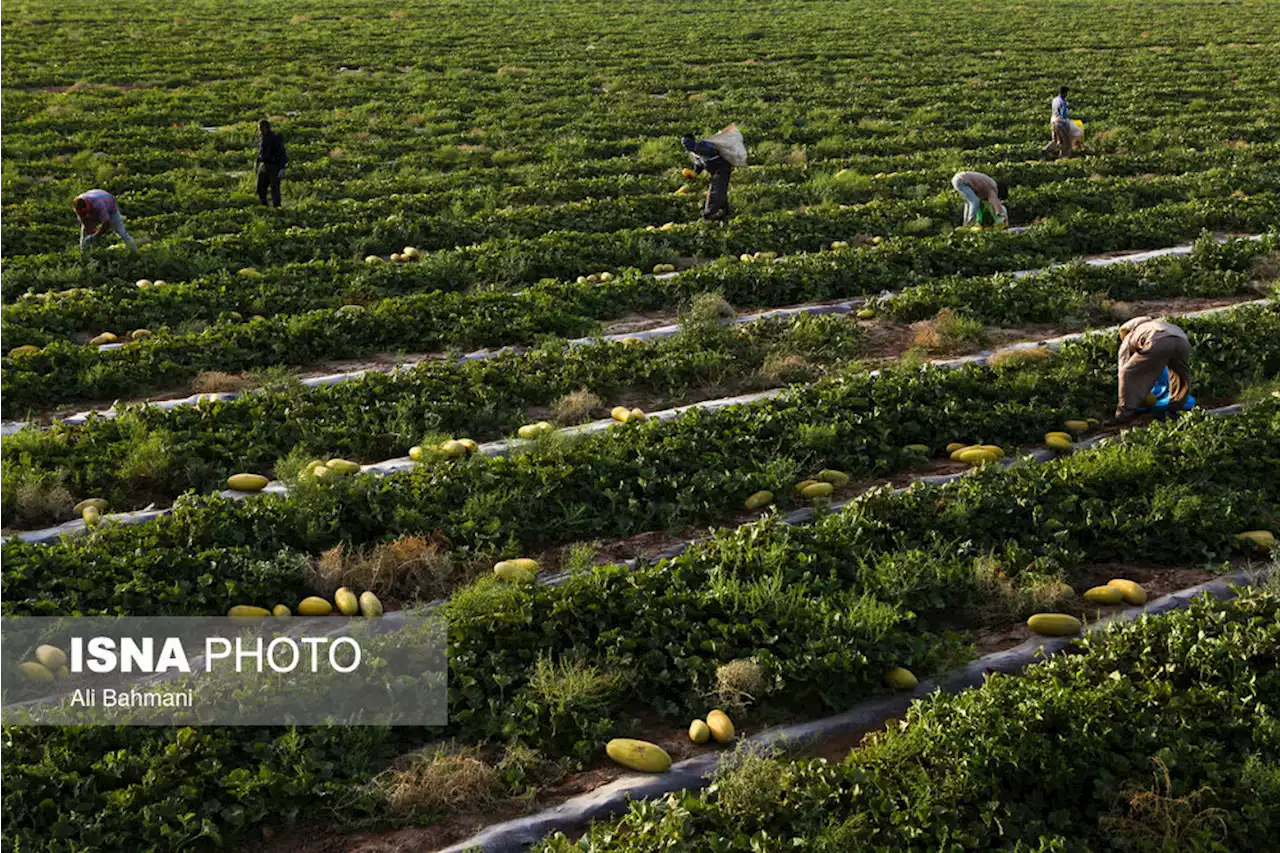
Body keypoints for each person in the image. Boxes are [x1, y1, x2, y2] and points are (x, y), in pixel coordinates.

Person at [1105, 316, 1192, 426]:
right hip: (1182, 342)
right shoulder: (1160, 324)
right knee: (1179, 375)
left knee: (1127, 373)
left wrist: (1126, 387)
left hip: (1158, 341)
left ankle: (1124, 414)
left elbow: (1123, 366)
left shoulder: (1131, 334)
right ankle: (1175, 409)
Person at [682, 134, 733, 221]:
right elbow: (698, 166)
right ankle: (726, 211)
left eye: (687, 142)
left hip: (722, 168)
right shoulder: (693, 154)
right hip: (714, 171)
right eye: (684, 144)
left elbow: (718, 150)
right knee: (720, 190)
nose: (686, 145)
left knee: (715, 190)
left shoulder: (704, 146)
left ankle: (709, 214)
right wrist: (694, 174)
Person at [73, 189, 137, 256]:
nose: (84, 215)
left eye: (85, 212)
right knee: (84, 235)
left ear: (87, 206)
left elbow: (106, 224)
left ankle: (134, 253)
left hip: (110, 208)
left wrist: (96, 235)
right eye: (82, 214)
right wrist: (90, 233)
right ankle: (85, 256)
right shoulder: (78, 205)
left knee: (121, 232)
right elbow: (85, 222)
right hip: (94, 209)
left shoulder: (98, 204)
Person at [255, 119, 288, 207]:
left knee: (275, 189)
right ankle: (264, 207)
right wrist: (257, 163)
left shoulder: (275, 137)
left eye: (261, 128)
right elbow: (260, 152)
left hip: (274, 166)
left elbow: (282, 154)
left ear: (266, 128)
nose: (260, 130)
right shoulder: (261, 137)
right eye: (259, 129)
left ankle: (277, 209)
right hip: (264, 166)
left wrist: (282, 168)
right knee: (260, 189)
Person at [1042, 86, 1080, 158]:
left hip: (1053, 121)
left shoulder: (1054, 100)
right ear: (1065, 93)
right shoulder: (1063, 102)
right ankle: (1063, 156)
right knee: (1065, 141)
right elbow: (1063, 115)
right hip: (1060, 123)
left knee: (1055, 140)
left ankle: (1046, 149)